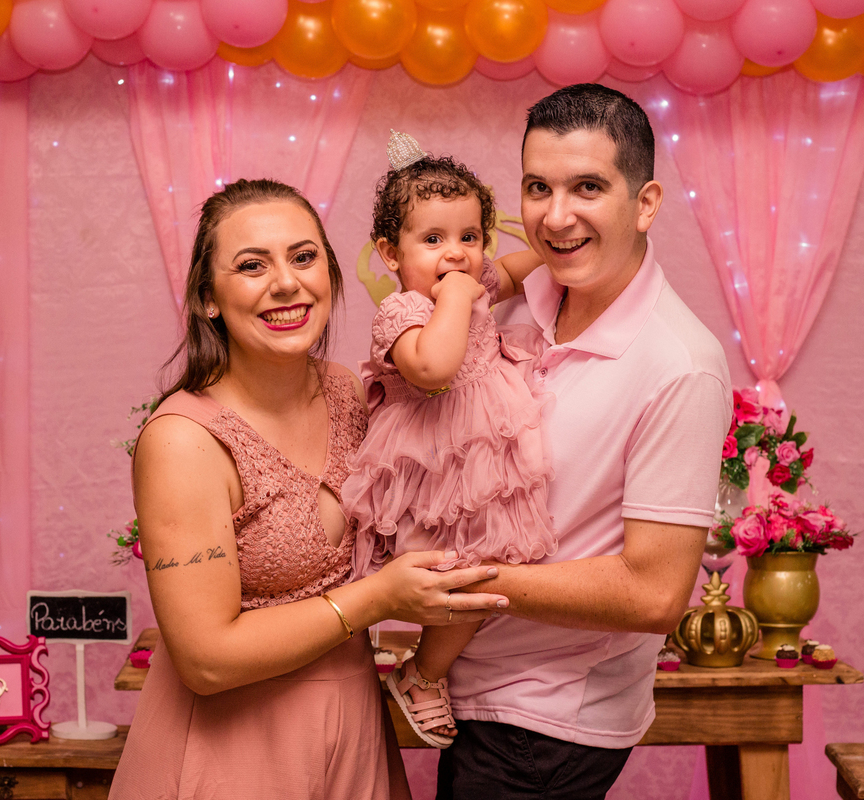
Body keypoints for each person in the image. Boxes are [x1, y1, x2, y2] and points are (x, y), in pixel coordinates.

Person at [107, 179, 509, 800]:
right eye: (251, 266)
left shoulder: (348, 391)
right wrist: (376, 598)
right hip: (228, 755)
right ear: (208, 298)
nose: (286, 283)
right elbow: (206, 659)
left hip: (352, 735)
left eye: (303, 257)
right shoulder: (183, 440)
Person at [435, 85, 733, 799]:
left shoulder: (680, 365)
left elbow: (655, 593)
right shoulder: (514, 302)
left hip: (546, 723)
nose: (555, 216)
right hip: (469, 691)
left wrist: (456, 583)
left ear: (646, 202)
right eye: (538, 187)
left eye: (588, 188)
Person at [342, 133, 552, 749]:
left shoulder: (474, 277)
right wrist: (458, 295)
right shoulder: (401, 311)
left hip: (488, 461)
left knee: (496, 568)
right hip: (433, 463)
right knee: (456, 575)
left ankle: (424, 672)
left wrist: (552, 254)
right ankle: (422, 675)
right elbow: (433, 368)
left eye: (469, 236)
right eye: (432, 240)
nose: (456, 253)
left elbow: (516, 270)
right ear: (390, 252)